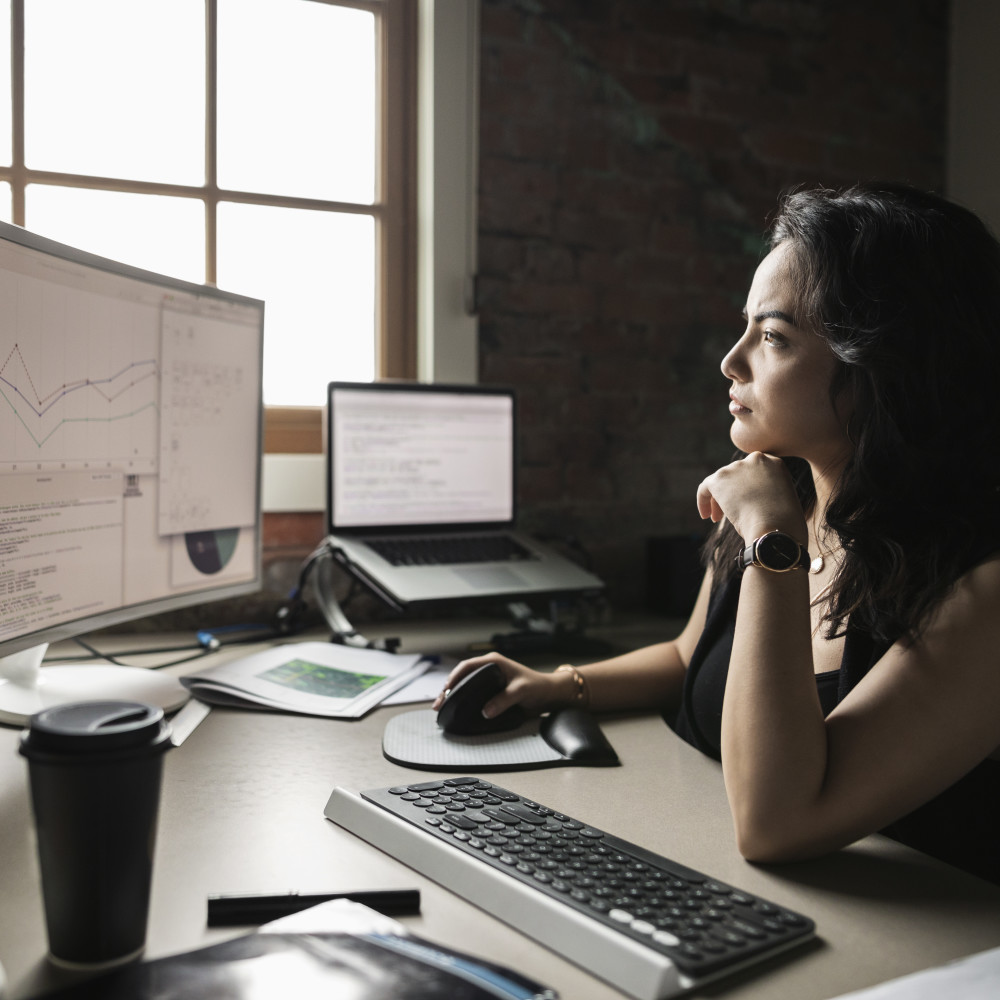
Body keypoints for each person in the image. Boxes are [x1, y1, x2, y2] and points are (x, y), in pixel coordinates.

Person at [434, 183, 1000, 885]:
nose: (731, 362)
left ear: (880, 371)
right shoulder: (784, 496)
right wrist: (557, 685)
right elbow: (689, 655)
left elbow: (777, 823)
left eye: (772, 338)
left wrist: (772, 540)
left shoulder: (978, 588)